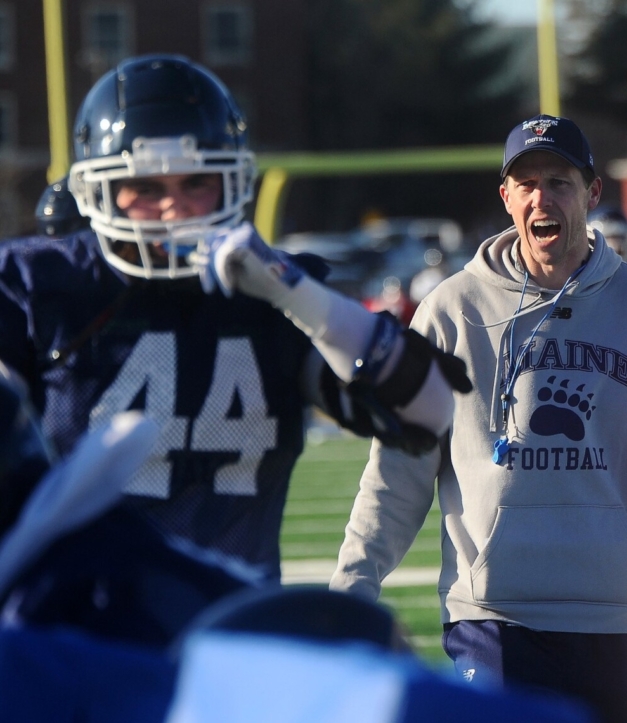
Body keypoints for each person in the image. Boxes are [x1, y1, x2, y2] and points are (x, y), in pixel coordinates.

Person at [0, 54, 470, 582]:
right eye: (147, 189)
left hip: (229, 624)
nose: (175, 210)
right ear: (97, 193)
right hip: (77, 630)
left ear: (233, 183)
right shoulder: (38, 285)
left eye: (196, 183)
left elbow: (427, 411)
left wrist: (291, 292)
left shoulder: (275, 293)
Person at [330, 114, 627, 723]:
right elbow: (399, 466)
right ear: (506, 198)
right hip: (491, 614)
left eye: (559, 181)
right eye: (525, 184)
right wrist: (353, 587)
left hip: (620, 612)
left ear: (593, 194)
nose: (541, 198)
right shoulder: (451, 310)